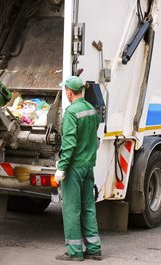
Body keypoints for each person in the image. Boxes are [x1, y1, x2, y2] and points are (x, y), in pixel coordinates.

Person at [55, 76, 102, 262]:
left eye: (65, 90)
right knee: (88, 206)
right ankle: (94, 249)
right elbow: (93, 135)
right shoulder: (91, 109)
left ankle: (75, 251)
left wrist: (62, 167)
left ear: (69, 91)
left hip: (74, 167)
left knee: (71, 208)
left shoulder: (71, 112)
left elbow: (69, 143)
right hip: (88, 165)